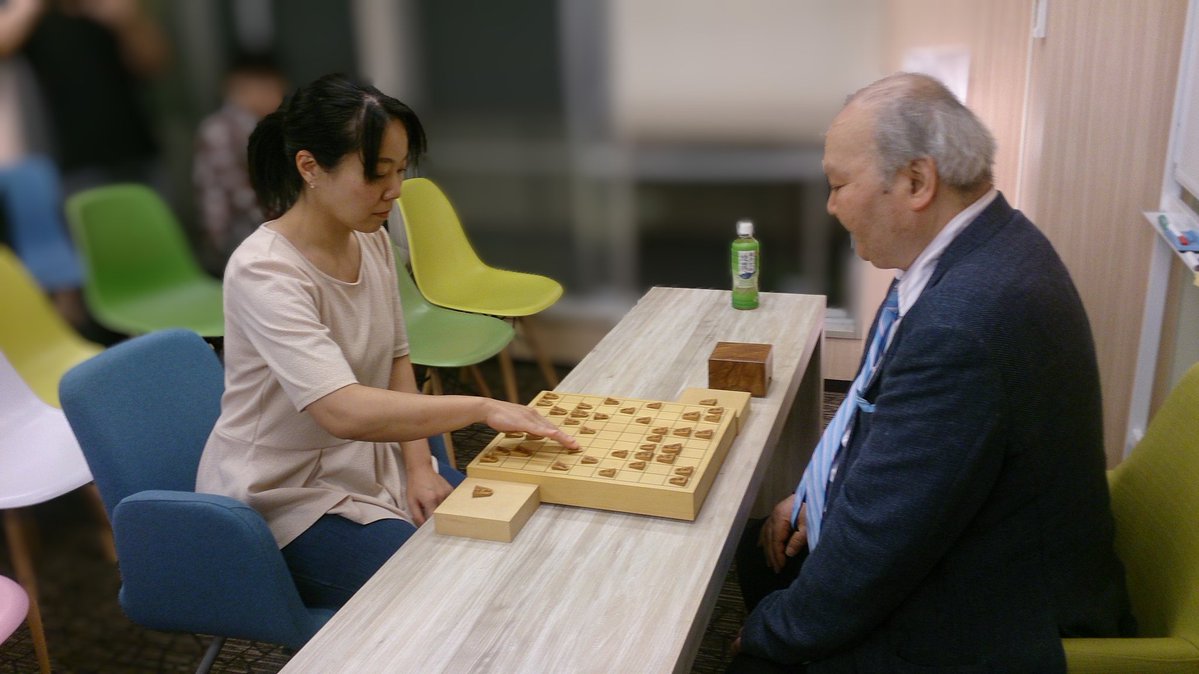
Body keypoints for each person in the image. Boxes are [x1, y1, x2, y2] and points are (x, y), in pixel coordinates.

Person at [730, 73, 1134, 672]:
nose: (831, 205)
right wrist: (815, 492)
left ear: (917, 182)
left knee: (762, 649)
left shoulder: (962, 323)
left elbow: (879, 544)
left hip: (991, 608)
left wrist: (767, 635)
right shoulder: (990, 246)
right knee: (760, 551)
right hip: (980, 527)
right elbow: (876, 406)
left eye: (839, 185)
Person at [195, 73, 578, 610]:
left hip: (369, 462)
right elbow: (343, 411)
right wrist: (480, 407)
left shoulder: (369, 238)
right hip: (281, 498)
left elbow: (398, 356)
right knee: (445, 587)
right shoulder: (264, 272)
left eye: (400, 171)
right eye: (377, 174)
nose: (394, 191)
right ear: (310, 167)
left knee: (508, 539)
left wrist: (421, 468)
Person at [193, 52, 287, 274]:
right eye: (269, 89)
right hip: (234, 233)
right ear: (239, 88)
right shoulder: (219, 130)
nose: (277, 96)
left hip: (260, 222)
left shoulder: (263, 124)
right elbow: (239, 194)